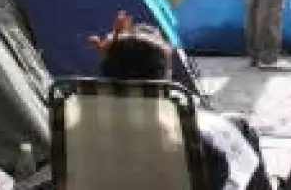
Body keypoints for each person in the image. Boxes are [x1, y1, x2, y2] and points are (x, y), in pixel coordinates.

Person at [89, 13, 273, 190]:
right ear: (163, 83)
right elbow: (219, 174)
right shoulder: (187, 143)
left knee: (237, 124)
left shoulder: (84, 132)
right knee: (240, 127)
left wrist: (115, 55)